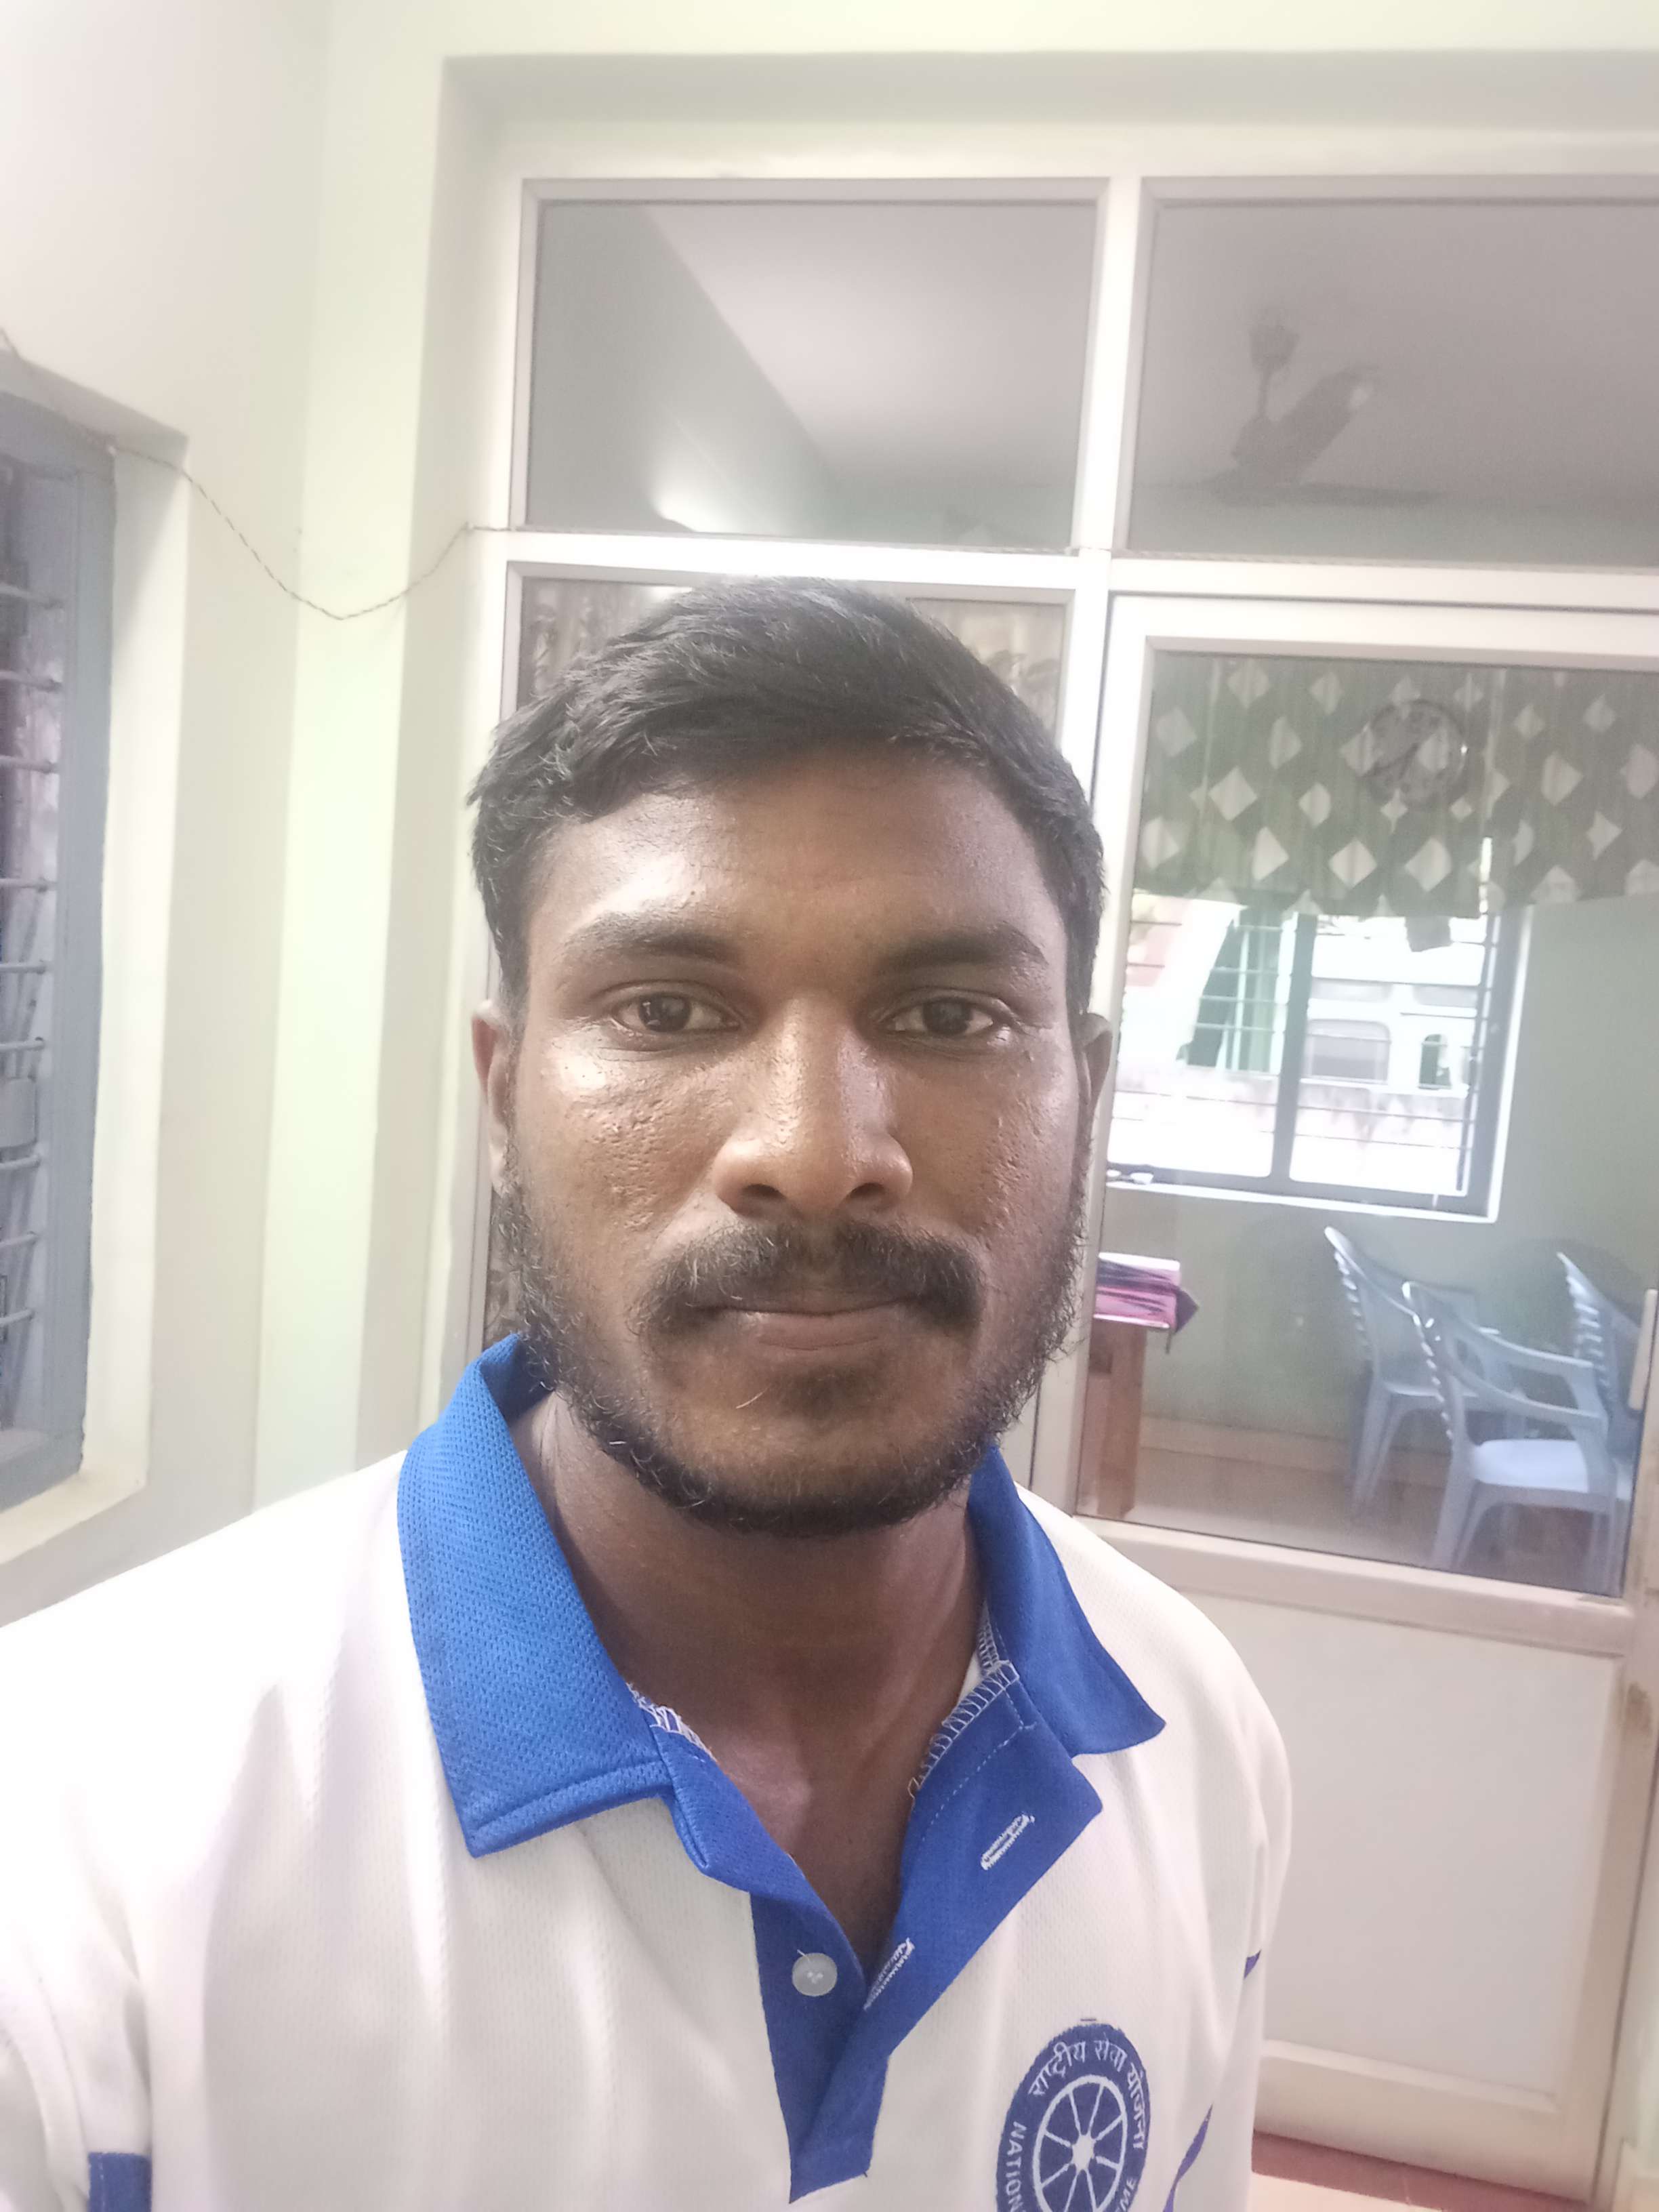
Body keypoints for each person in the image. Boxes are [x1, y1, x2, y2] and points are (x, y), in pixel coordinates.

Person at [0, 581, 1287, 2210]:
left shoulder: (1198, 1736)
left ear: (1083, 1098)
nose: (813, 1153)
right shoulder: (74, 1835)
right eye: (668, 1011)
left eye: (950, 1015)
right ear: (503, 1100)